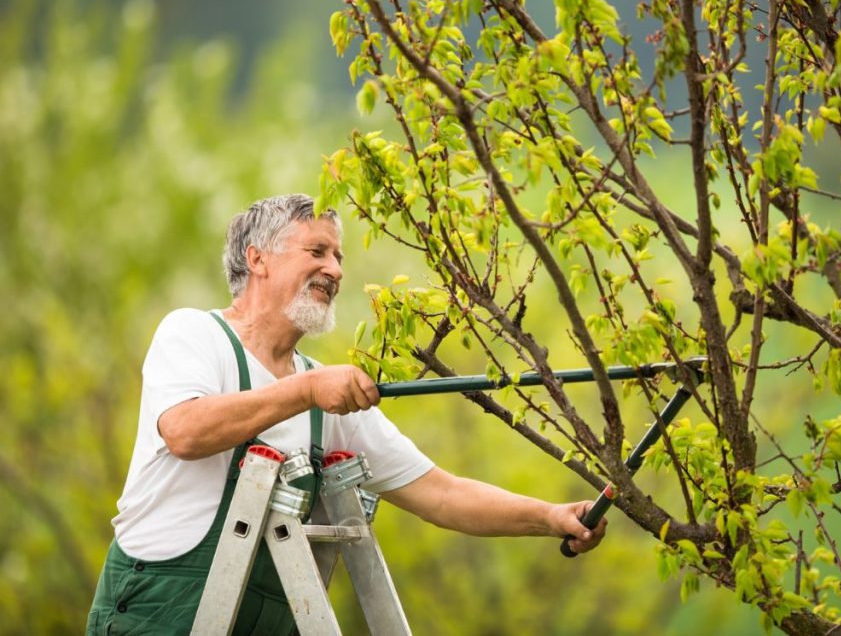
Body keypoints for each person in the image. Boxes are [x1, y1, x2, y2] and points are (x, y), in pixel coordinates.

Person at [87, 193, 605, 634]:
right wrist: (308, 389)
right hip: (155, 614)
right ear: (258, 258)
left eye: (337, 256)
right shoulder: (195, 334)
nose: (335, 270)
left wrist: (551, 517)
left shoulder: (325, 394)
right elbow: (185, 431)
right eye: (316, 251)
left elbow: (442, 494)